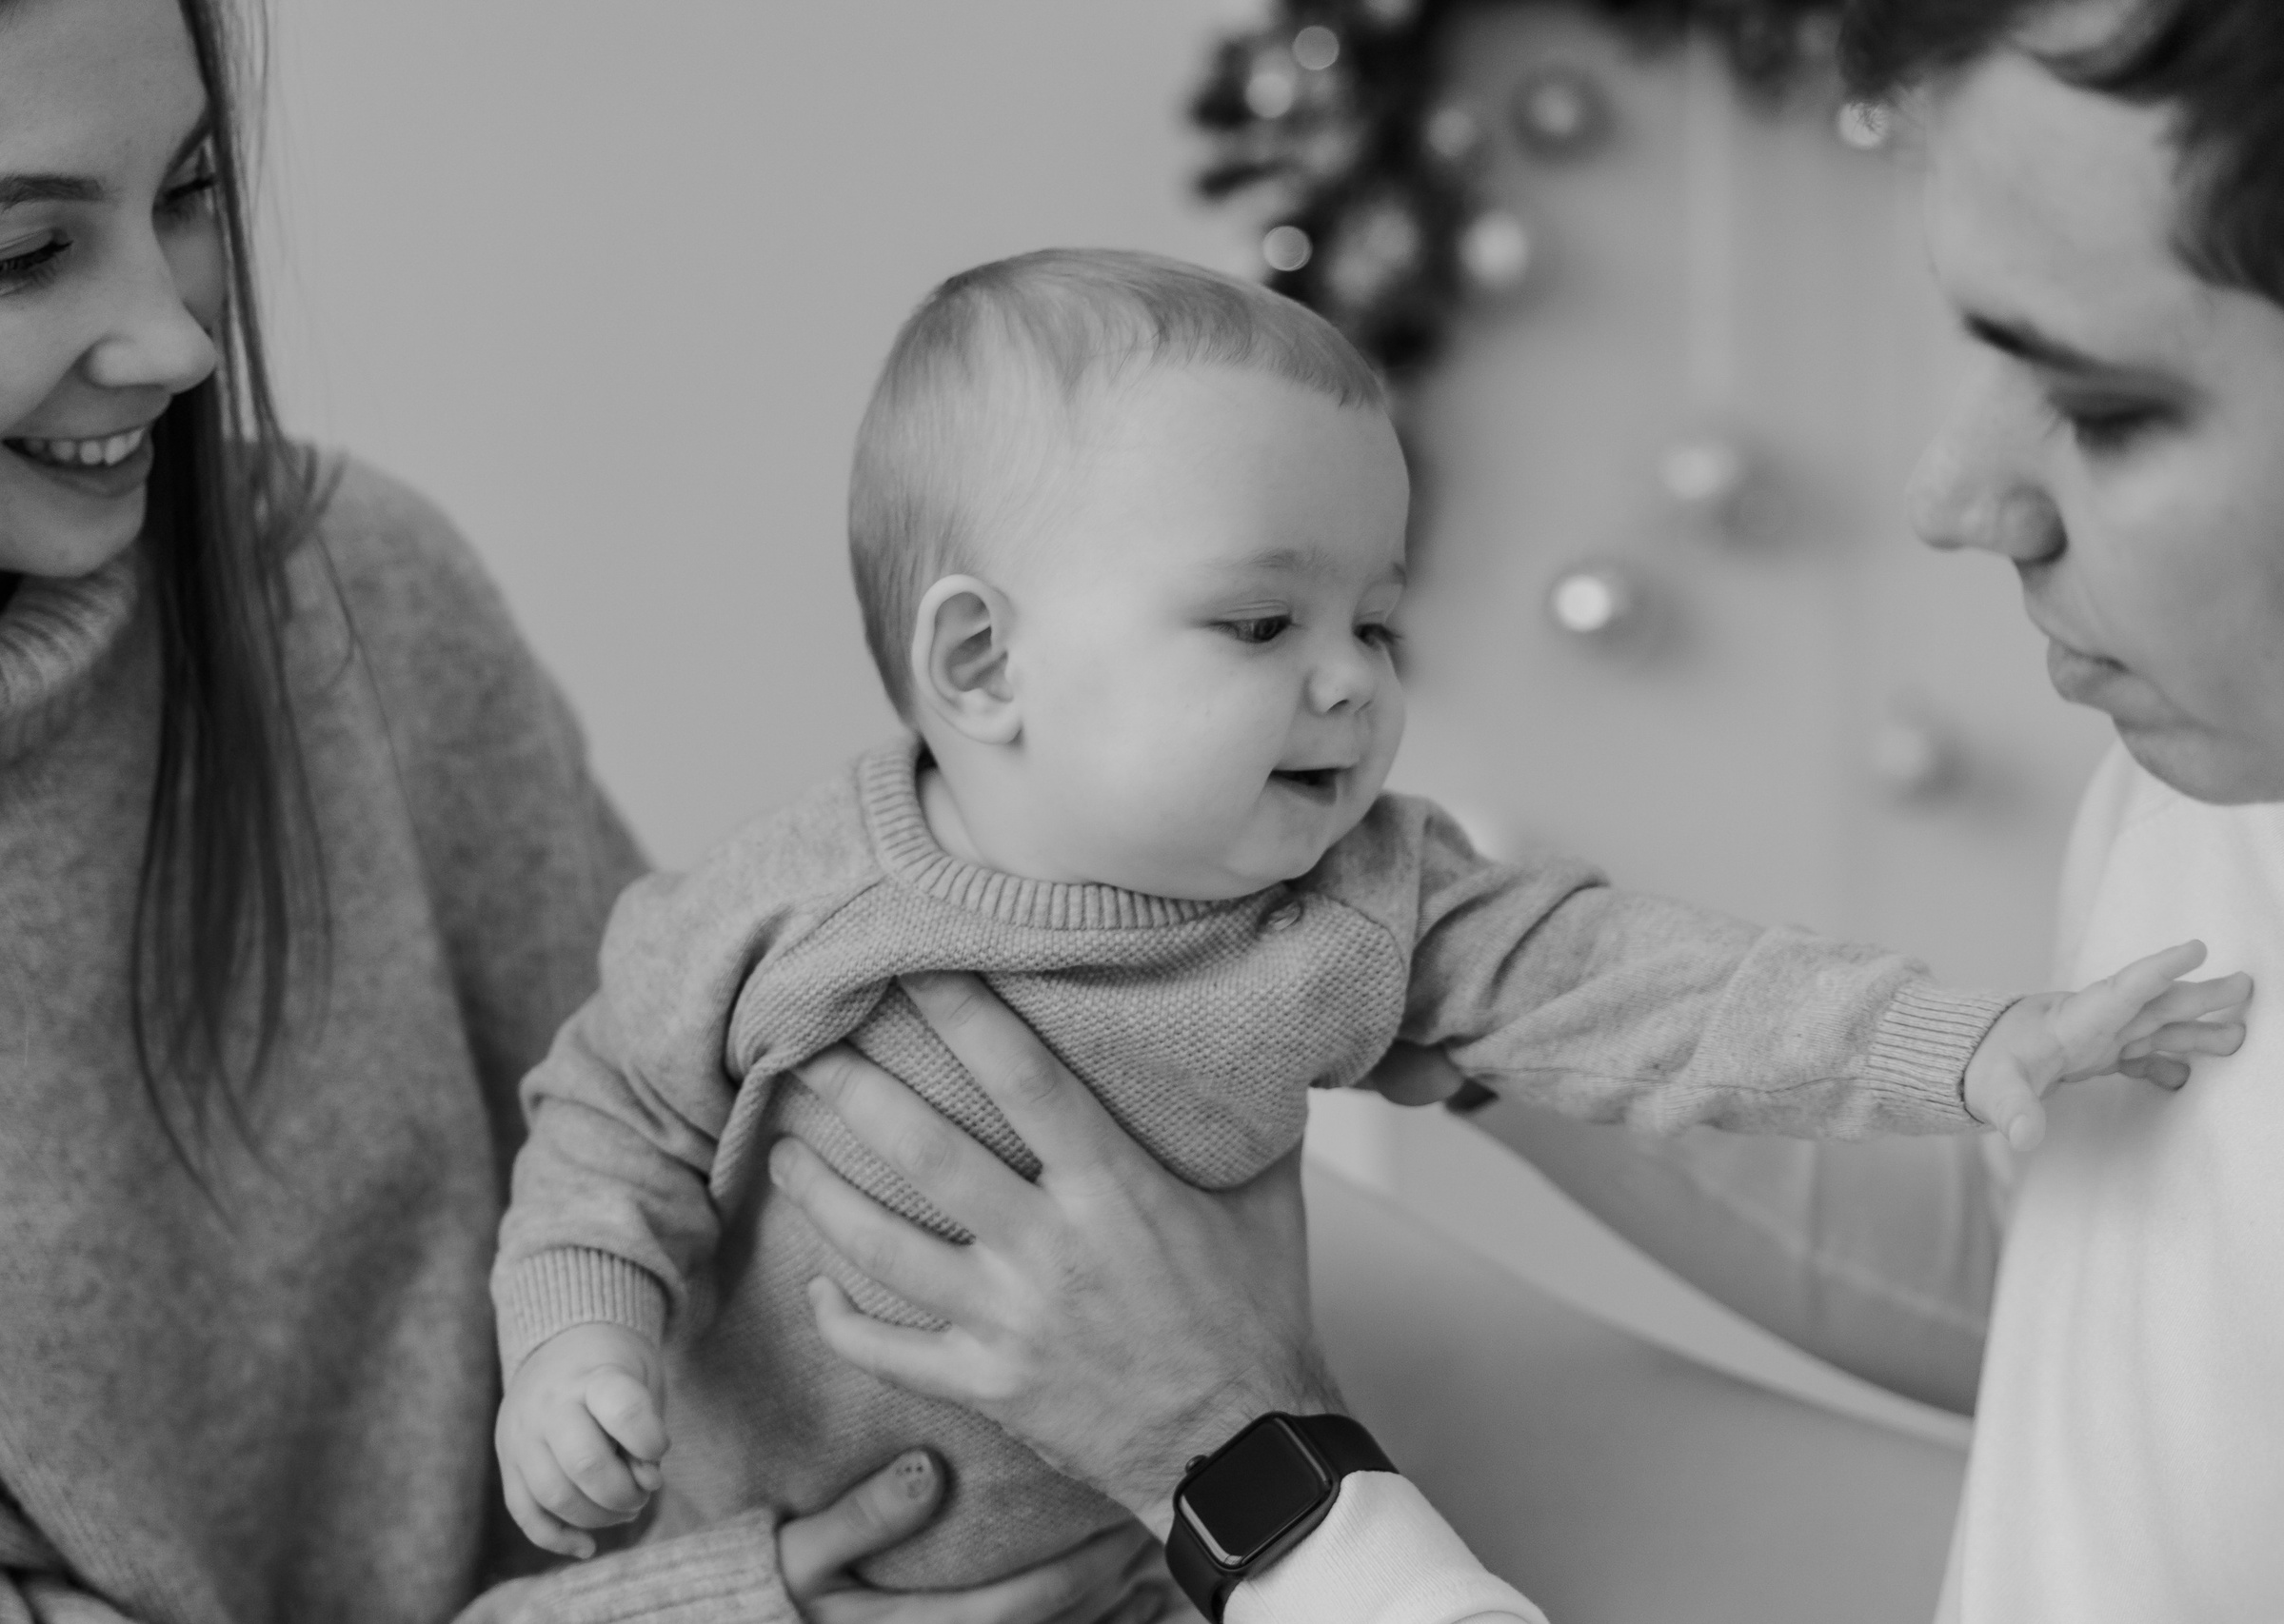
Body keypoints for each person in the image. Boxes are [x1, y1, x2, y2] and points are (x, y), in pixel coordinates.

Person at [762, 0, 2284, 1619]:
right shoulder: (2208, 780)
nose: (1952, 498)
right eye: (1975, 339)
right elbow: (2106, 1291)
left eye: (2109, 407)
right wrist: (1515, 1005)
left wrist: (1243, 1471)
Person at [0, 1, 1182, 1618]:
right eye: (21, 255)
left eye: (187, 193)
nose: (182, 338)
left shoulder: (344, 592)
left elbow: (685, 1167)